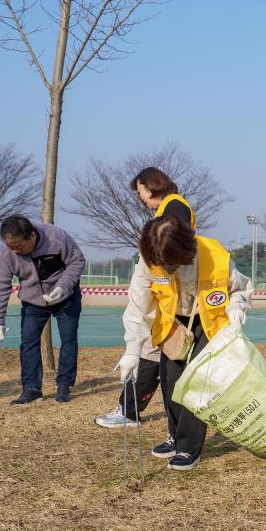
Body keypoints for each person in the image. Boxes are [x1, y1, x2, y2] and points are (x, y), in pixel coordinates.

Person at [117, 215, 252, 470]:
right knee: (170, 378)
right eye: (160, 263)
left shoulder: (215, 256)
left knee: (196, 382)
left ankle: (189, 447)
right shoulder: (148, 261)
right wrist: (132, 351)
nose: (166, 268)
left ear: (185, 251)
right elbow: (138, 308)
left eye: (171, 263)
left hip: (208, 320)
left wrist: (237, 308)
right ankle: (175, 435)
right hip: (173, 322)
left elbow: (239, 288)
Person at [95, 167, 196, 428]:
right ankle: (129, 409)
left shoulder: (174, 207)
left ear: (151, 186)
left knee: (153, 353)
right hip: (166, 294)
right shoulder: (170, 207)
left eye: (139, 190)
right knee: (151, 353)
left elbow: (173, 248)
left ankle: (131, 411)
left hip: (169, 297)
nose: (139, 197)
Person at [0, 215, 86, 404]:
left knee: (68, 339)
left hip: (66, 297)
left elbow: (77, 261)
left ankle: (64, 385)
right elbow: (0, 286)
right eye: (10, 246)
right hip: (33, 301)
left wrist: (62, 287)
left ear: (32, 236)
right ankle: (32, 389)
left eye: (19, 246)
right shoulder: (5, 253)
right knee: (28, 343)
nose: (15, 251)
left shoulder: (56, 237)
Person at [131, 166, 196, 229]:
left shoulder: (174, 206)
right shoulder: (167, 207)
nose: (139, 197)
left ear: (151, 184)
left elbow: (176, 236)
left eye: (139, 192)